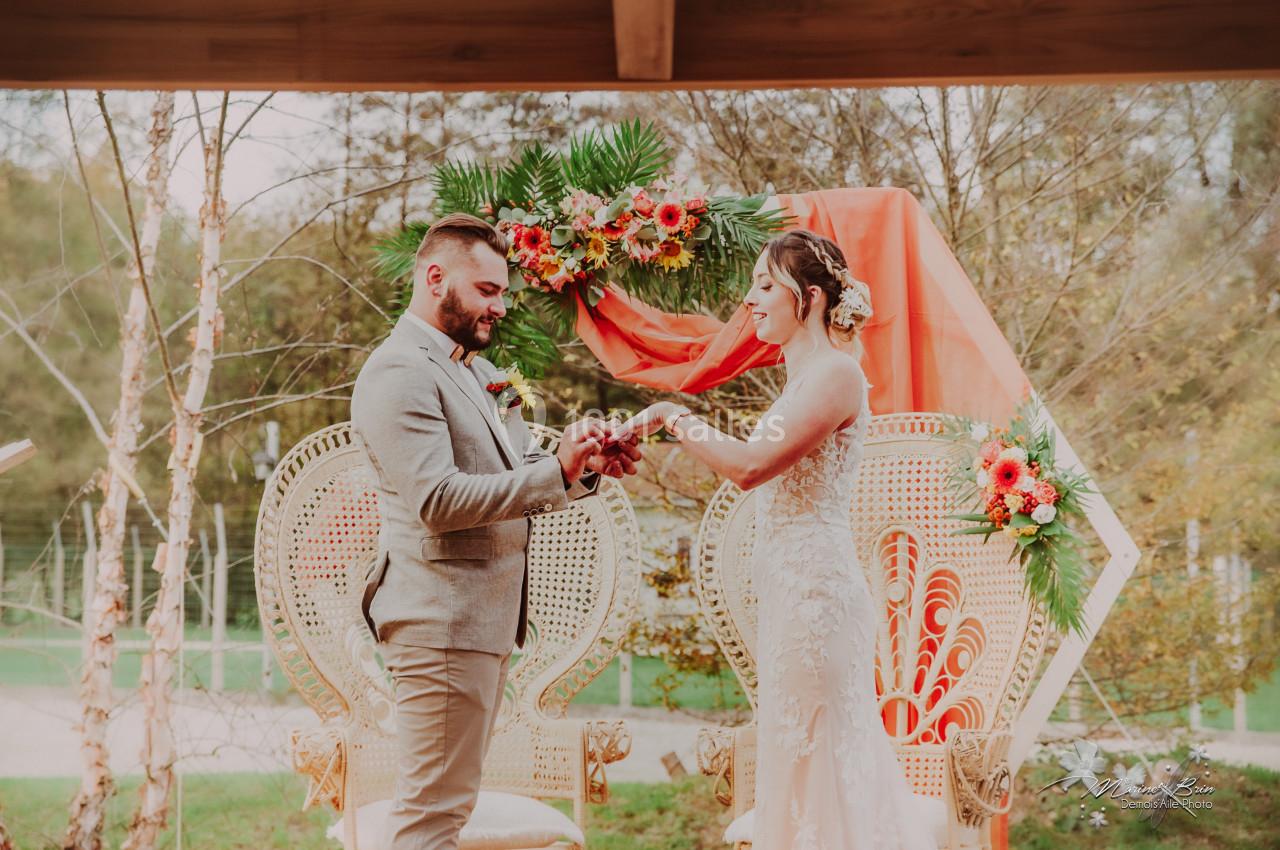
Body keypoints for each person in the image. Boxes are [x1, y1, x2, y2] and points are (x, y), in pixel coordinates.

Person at [618, 229, 938, 849]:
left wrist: (667, 415)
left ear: (810, 297)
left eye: (765, 286)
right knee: (798, 753)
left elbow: (748, 466)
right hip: (793, 594)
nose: (750, 301)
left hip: (817, 598)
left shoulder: (837, 374)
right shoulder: (804, 381)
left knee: (816, 756)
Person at [350, 212, 642, 850]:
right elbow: (439, 500)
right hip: (440, 622)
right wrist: (554, 471)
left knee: (444, 813)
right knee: (430, 823)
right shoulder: (399, 371)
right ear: (435, 278)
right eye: (487, 290)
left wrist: (576, 468)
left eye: (503, 292)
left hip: (476, 622)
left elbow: (506, 480)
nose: (501, 306)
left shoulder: (474, 371)